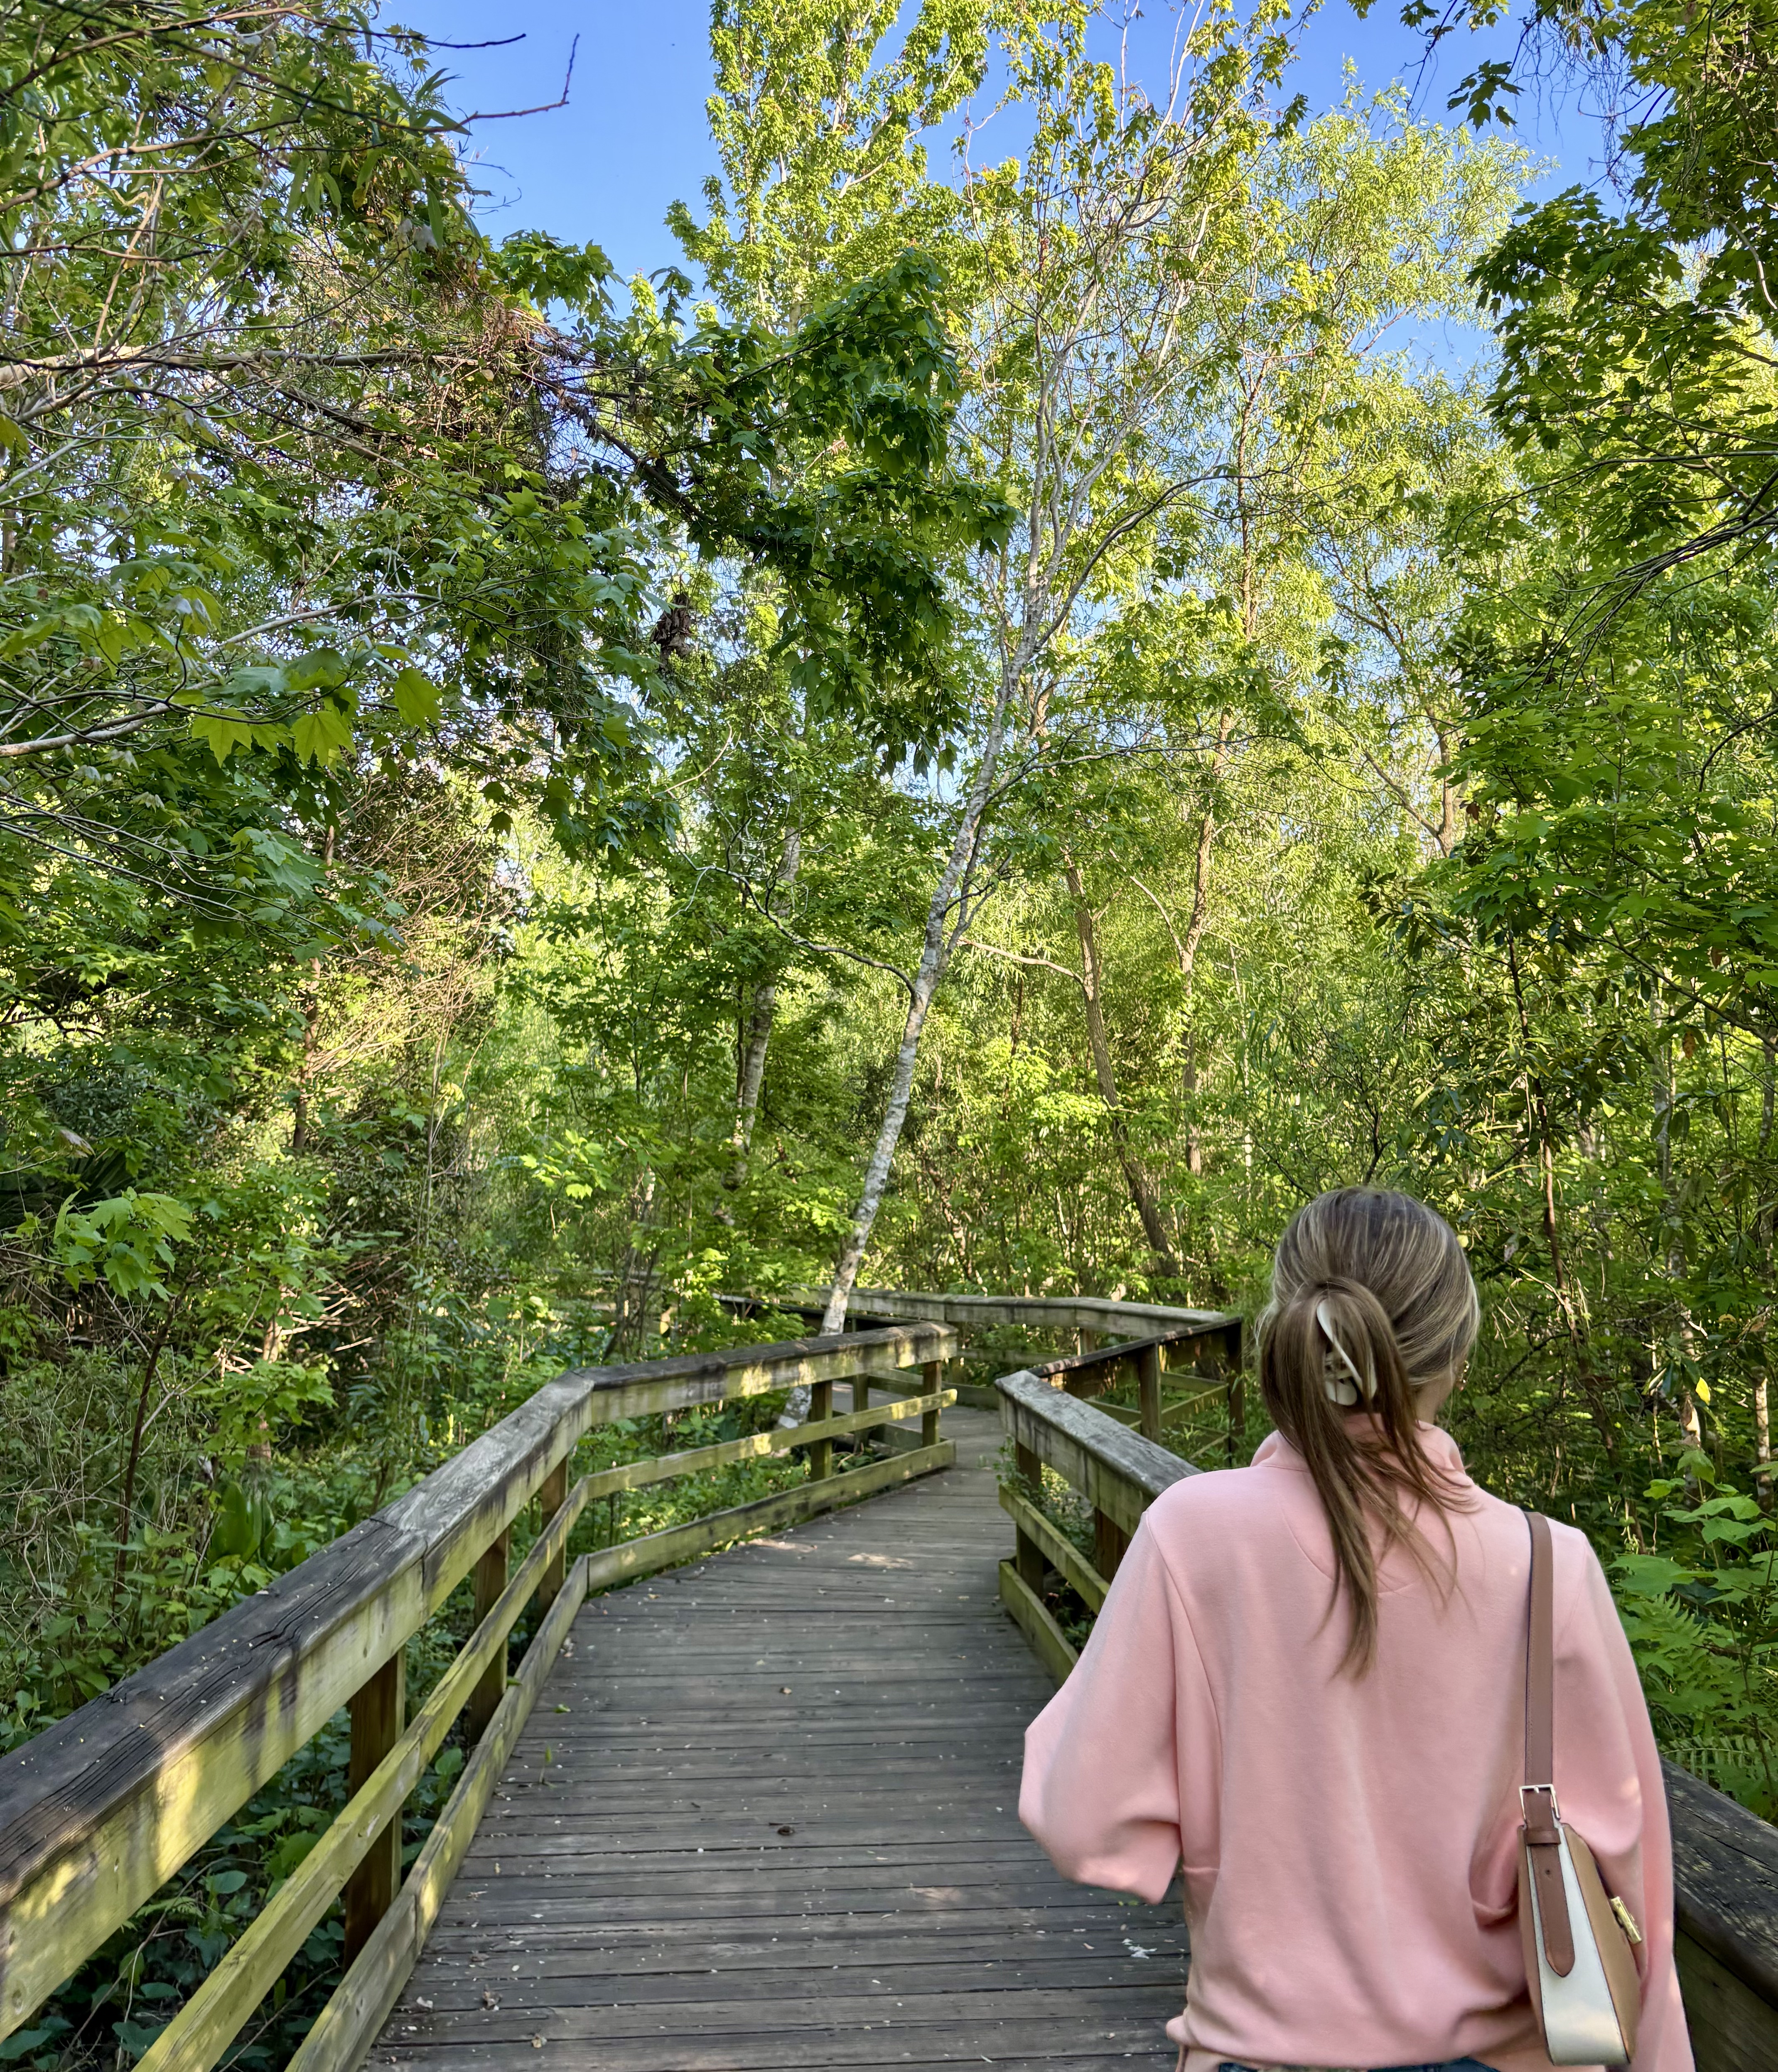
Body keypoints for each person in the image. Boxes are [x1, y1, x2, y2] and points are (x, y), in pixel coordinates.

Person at [1019, 1186, 1692, 2072]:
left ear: (1290, 1334)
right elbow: (1633, 1880)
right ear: (1455, 1359)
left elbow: (1084, 1824)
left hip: (1266, 2053)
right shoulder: (1547, 1564)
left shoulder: (1193, 1535)